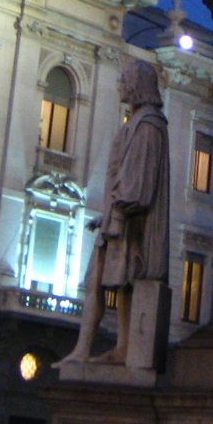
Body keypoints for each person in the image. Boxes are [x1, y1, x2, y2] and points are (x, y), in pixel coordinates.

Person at [59, 60, 169, 365]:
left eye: (123, 80)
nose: (119, 85)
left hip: (128, 222)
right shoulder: (138, 123)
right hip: (117, 219)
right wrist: (107, 214)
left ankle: (119, 348)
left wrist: (116, 211)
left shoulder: (149, 125)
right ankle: (86, 349)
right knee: (98, 281)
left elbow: (138, 183)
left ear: (135, 85)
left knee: (122, 283)